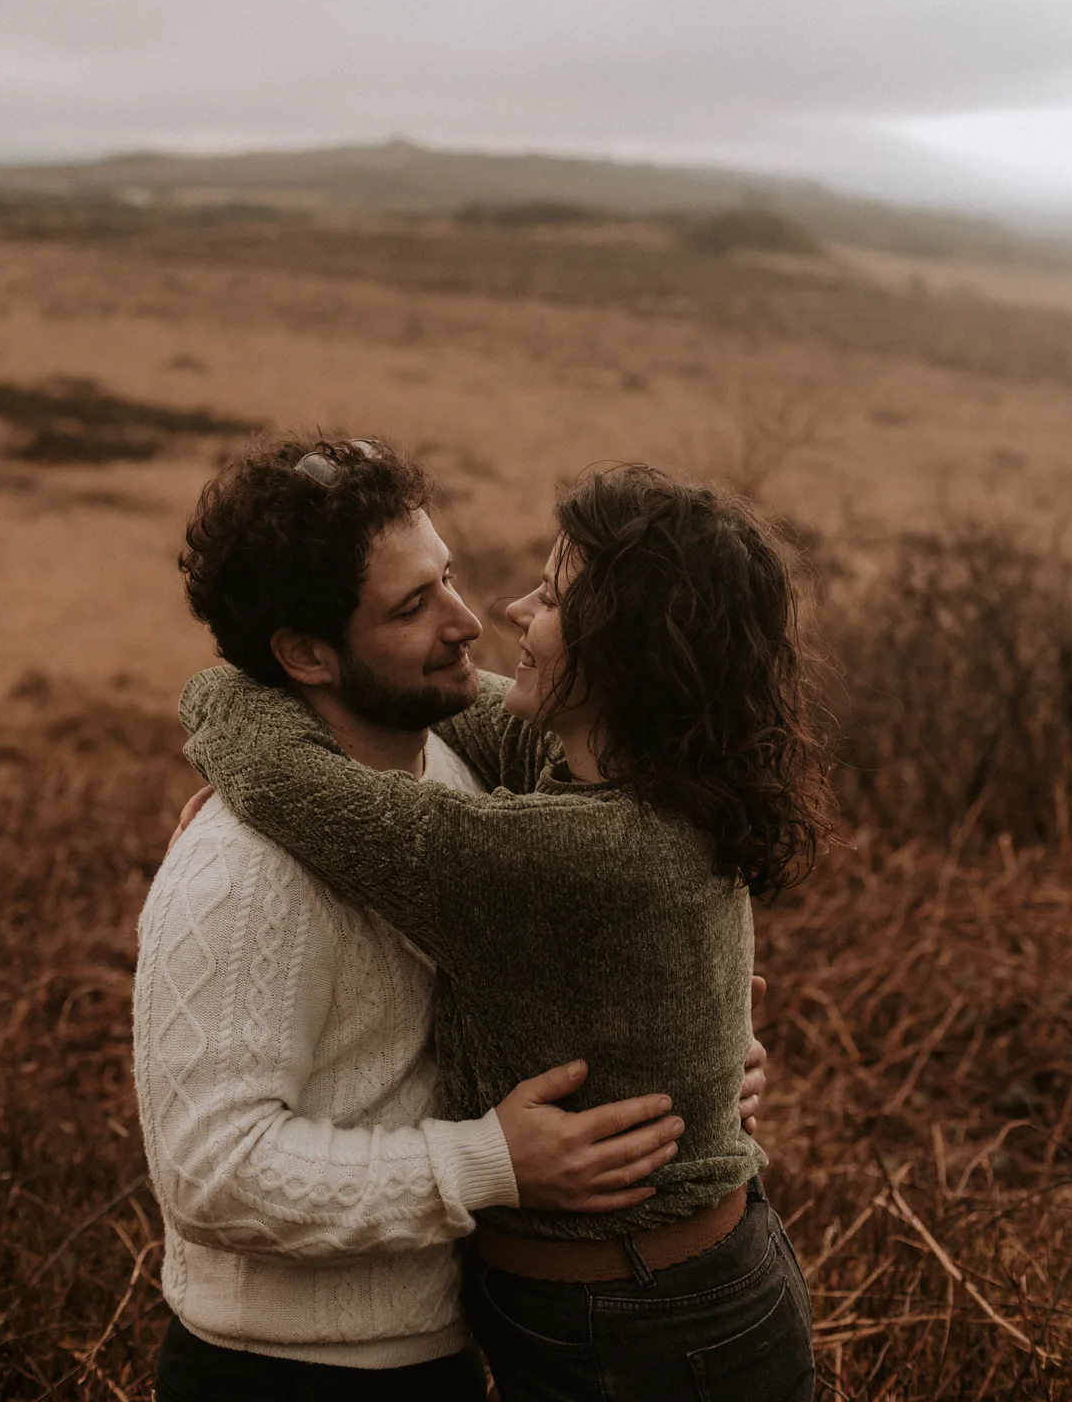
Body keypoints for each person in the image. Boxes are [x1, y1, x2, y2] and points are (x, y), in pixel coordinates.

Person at [181, 443, 826, 1401]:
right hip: (633, 1309)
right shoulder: (636, 766)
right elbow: (453, 703)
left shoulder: (580, 850)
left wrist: (223, 689)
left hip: (649, 1334)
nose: (508, 615)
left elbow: (305, 789)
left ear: (629, 657)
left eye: (555, 599)